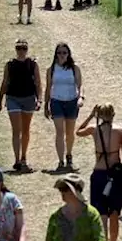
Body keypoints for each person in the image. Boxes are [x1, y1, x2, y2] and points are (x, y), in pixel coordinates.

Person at [76, 104, 122, 241]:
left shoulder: (94, 129)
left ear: (99, 115)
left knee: (102, 215)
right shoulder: (120, 131)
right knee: (115, 213)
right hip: (115, 176)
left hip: (99, 175)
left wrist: (91, 116)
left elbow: (78, 131)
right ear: (113, 114)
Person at [0, 40, 43, 172]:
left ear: (27, 50)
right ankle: (17, 160)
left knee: (26, 129)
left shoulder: (33, 64)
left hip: (28, 98)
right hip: (13, 98)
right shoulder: (10, 64)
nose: (21, 51)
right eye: (19, 48)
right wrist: (0, 101)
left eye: (24, 48)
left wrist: (39, 100)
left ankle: (24, 157)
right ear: (15, 50)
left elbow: (38, 83)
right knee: (16, 130)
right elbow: (5, 83)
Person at [44, 42, 84, 172]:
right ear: (55, 54)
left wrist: (80, 98)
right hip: (57, 101)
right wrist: (46, 104)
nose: (62, 55)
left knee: (70, 132)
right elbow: (48, 87)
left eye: (64, 53)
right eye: (59, 53)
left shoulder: (74, 68)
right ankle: (60, 160)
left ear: (69, 54)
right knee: (59, 132)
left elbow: (80, 86)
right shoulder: (52, 69)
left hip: (71, 101)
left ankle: (69, 154)